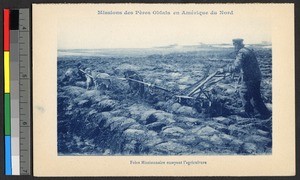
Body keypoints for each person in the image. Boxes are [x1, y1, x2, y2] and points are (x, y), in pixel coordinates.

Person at [220, 38, 271, 119]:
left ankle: (248, 112)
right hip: (256, 77)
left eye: (235, 45)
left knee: (243, 93)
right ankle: (265, 113)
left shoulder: (241, 52)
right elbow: (245, 65)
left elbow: (236, 67)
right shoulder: (247, 50)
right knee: (256, 96)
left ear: (237, 44)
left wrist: (224, 70)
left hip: (250, 78)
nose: (234, 47)